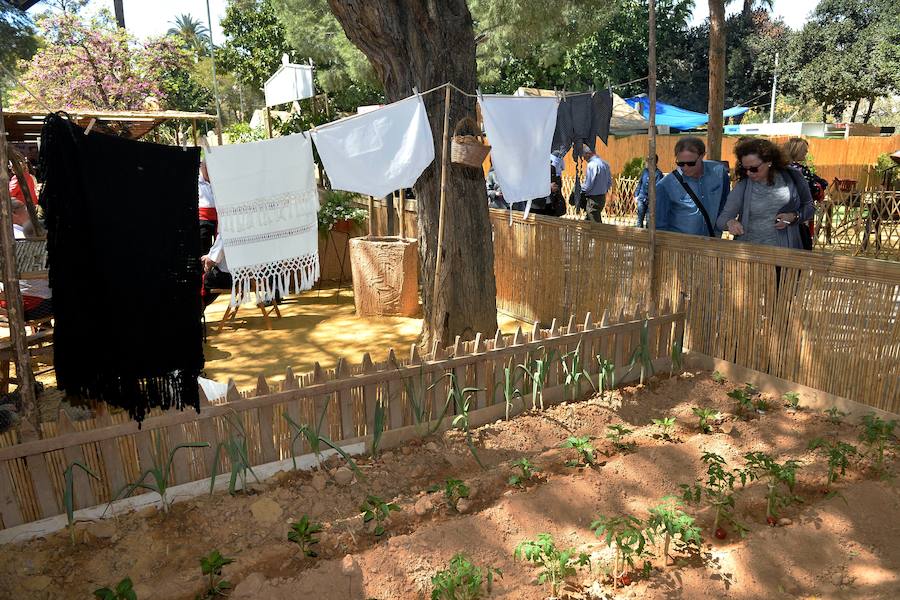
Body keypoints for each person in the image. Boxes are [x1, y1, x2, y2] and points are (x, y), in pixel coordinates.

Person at [716, 138, 814, 249]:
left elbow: (809, 207)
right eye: (745, 168)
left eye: (753, 168)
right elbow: (722, 220)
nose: (748, 173)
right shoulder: (744, 184)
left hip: (786, 252)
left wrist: (793, 216)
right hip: (750, 253)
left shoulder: (793, 176)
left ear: (769, 162)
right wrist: (730, 223)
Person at [655, 137, 730, 237]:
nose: (685, 168)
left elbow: (724, 205)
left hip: (710, 242)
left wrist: (716, 233)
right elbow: (659, 225)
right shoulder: (665, 185)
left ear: (702, 155)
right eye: (680, 163)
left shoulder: (719, 173)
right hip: (680, 246)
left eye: (691, 163)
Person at [0, 200, 52, 320]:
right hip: (31, 306)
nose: (29, 213)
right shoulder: (26, 239)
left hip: (7, 304)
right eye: (25, 210)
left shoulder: (6, 235)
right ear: (13, 214)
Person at [580, 145, 611, 222]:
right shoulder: (605, 164)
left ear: (588, 154)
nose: (583, 158)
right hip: (602, 197)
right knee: (589, 221)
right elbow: (609, 183)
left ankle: (600, 234)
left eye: (583, 155)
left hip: (593, 199)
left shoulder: (592, 165)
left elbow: (588, 186)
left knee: (595, 224)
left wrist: (579, 189)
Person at [634, 155, 664, 228]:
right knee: (639, 220)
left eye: (648, 161)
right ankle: (638, 237)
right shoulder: (644, 171)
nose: (646, 163)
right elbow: (640, 183)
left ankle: (647, 238)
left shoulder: (658, 174)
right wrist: (636, 195)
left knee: (649, 221)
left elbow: (658, 189)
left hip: (651, 201)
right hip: (641, 198)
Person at [198, 160, 217, 255]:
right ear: (201, 166)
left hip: (218, 219)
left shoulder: (216, 180)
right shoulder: (197, 180)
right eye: (206, 167)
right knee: (204, 249)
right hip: (203, 219)